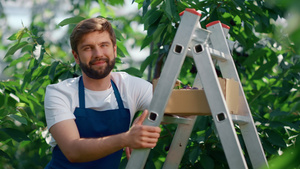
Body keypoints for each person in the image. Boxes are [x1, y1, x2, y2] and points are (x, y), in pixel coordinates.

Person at [44, 17, 161, 169]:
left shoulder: (129, 86)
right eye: (88, 48)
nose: (98, 53)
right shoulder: (59, 93)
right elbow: (73, 151)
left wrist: (144, 118)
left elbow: (169, 105)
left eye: (103, 45)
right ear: (76, 56)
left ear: (114, 50)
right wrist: (126, 139)